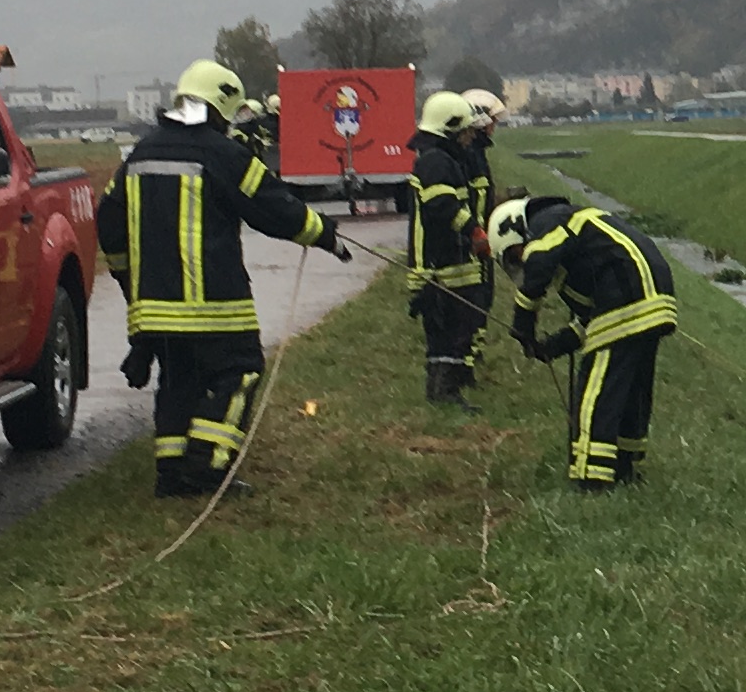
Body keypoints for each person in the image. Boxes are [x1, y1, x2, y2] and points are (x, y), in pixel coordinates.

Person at [99, 56, 350, 496]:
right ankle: (208, 467)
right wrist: (325, 234)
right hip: (213, 302)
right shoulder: (223, 153)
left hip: (154, 307)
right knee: (240, 371)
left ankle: (171, 473)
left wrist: (129, 284)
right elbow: (273, 206)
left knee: (178, 381)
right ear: (220, 108)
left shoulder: (140, 153)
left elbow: (109, 221)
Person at [496, 187, 679, 487]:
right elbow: (589, 319)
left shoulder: (547, 219)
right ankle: (625, 469)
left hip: (628, 295)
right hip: (652, 298)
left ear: (515, 230)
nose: (523, 262)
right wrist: (550, 347)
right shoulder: (581, 241)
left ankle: (592, 478)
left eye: (517, 255)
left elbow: (539, 264)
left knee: (596, 394)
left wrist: (523, 323)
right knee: (630, 392)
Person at [405, 89, 503, 402]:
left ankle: (446, 390)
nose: (469, 137)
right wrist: (475, 231)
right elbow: (443, 206)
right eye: (464, 131)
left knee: (457, 327)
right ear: (449, 128)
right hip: (440, 264)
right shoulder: (435, 162)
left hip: (449, 260)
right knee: (450, 330)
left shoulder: (440, 158)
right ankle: (445, 393)